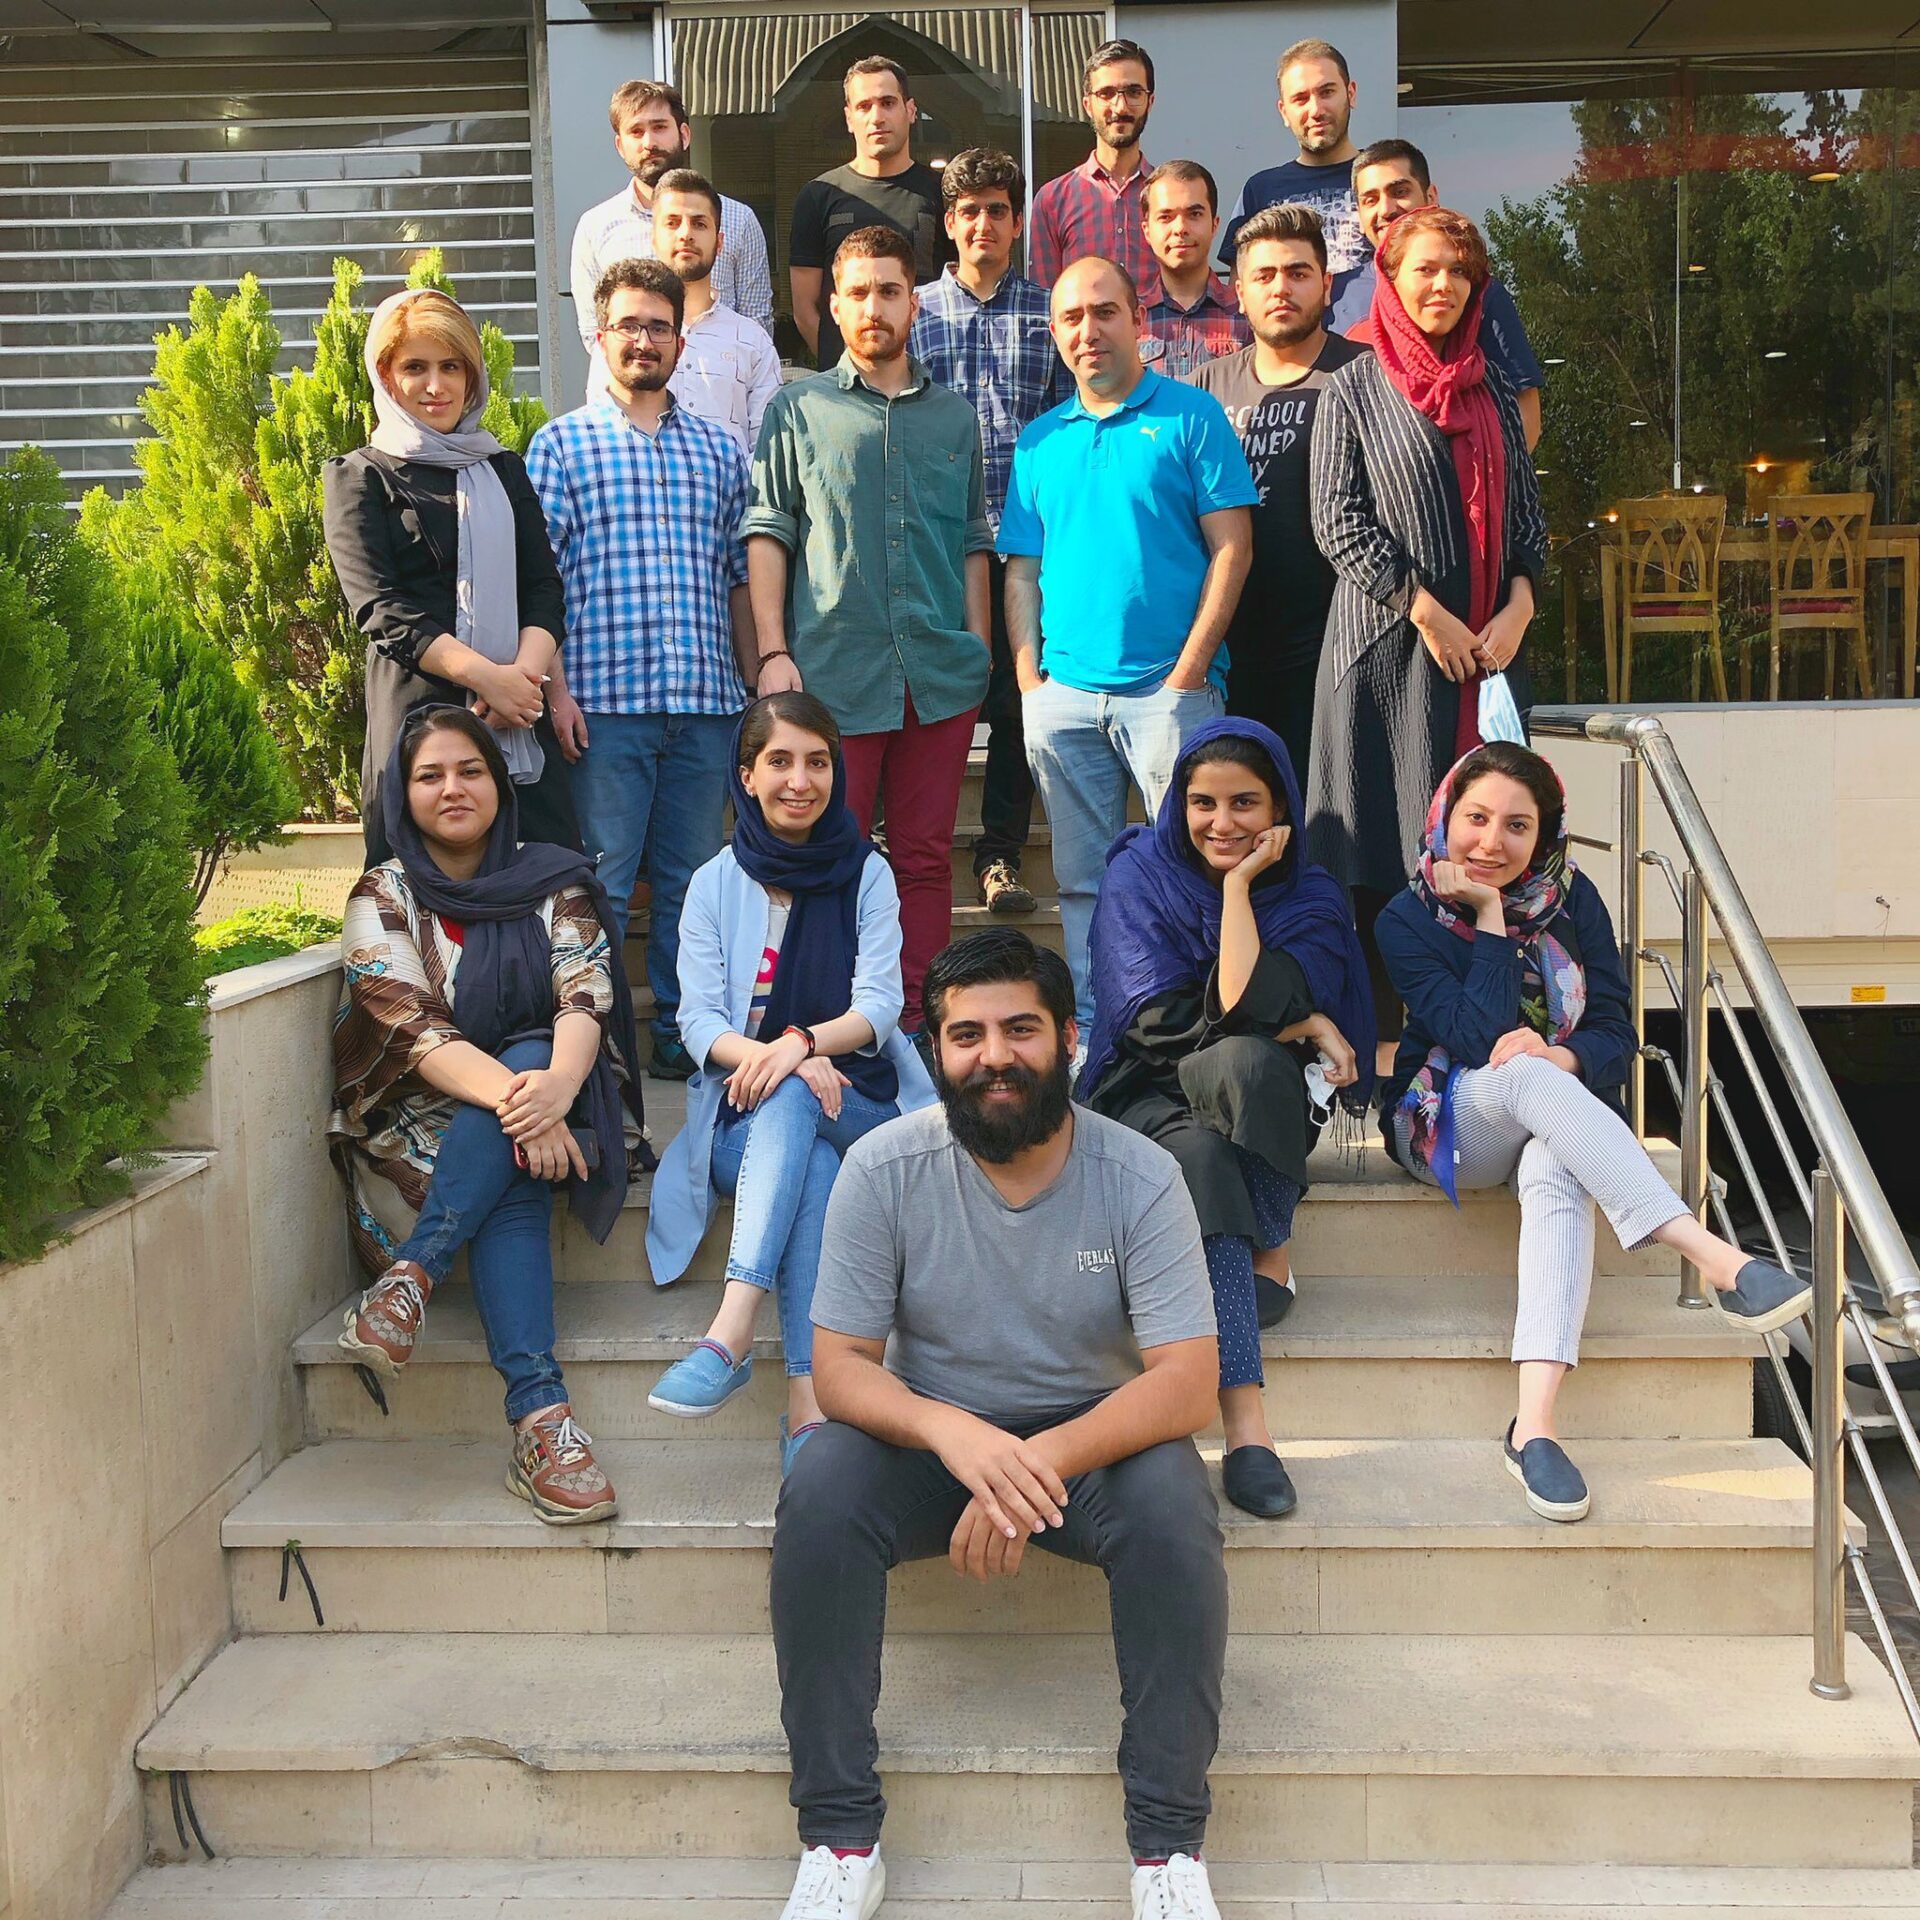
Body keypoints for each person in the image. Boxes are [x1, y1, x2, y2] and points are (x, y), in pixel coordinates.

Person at [770, 929, 1231, 1920]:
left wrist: (1032, 1464)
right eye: (967, 1035)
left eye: (1021, 1029)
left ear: (1068, 1038)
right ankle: (839, 1838)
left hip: (1090, 1448)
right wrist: (957, 1438)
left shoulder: (1142, 1174)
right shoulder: (883, 1169)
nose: (995, 1056)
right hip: (934, 1443)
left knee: (1173, 1502)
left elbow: (1190, 1382)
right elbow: (838, 1369)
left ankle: (1167, 1850)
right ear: (935, 1051)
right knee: (820, 1484)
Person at [1377, 743, 1814, 1522]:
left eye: (1517, 826)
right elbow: (1475, 1036)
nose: (1491, 842)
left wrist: (1565, 1054)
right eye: (1476, 818)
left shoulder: (1572, 897)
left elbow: (1615, 1028)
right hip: (1447, 1116)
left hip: (1551, 1108)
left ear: (1544, 834)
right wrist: (1490, 917)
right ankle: (1715, 1257)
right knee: (1521, 1069)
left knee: (1555, 1162)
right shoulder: (1405, 917)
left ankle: (1534, 1428)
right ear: (1445, 816)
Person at [329, 707, 650, 1523]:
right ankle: (542, 1425)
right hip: (418, 1123)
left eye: (470, 770)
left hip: (548, 1096)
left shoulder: (555, 880)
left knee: (534, 1054)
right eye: (430, 775)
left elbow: (585, 995)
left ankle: (413, 1278)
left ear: (500, 785)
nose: (453, 788)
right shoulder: (382, 895)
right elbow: (414, 1033)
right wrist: (533, 1108)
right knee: (516, 1138)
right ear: (403, 796)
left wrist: (556, 1087)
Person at [1082, 720, 1373, 1518]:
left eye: (1245, 803)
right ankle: (1248, 1430)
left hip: (1255, 1097)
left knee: (1249, 1064)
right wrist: (1303, 1022)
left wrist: (1241, 889)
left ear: (1279, 809)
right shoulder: (1140, 874)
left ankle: (1269, 1245)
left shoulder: (1309, 894)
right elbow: (1150, 1024)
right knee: (1205, 1149)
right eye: (1202, 803)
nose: (1221, 823)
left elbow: (1256, 1004)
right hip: (1144, 1090)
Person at [645, 693, 937, 1471]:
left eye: (817, 762)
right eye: (779, 761)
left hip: (864, 1101)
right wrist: (781, 1060)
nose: (800, 781)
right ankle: (809, 1407)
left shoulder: (866, 873)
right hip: (743, 1117)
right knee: (810, 1159)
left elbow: (879, 1006)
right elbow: (697, 1023)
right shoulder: (713, 884)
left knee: (802, 1090)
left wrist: (801, 1045)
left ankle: (732, 1327)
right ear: (747, 775)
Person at [1306, 207, 1546, 1057]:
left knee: (1478, 851)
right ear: (1391, 278)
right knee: (1385, 857)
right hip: (1384, 660)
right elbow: (1337, 522)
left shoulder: (1494, 394)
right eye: (1425, 269)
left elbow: (1528, 521)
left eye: (1459, 272)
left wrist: (1518, 606)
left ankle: (1463, 1045)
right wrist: (1426, 611)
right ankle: (1379, 1059)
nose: (1443, 285)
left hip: (1486, 661)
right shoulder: (1354, 387)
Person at [746, 225, 993, 1044]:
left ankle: (917, 1021)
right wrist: (774, 653)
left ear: (913, 303)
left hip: (938, 678)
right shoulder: (797, 409)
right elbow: (769, 532)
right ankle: (830, 1020)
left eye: (889, 290)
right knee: (827, 854)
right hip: (833, 676)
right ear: (833, 304)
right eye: (857, 292)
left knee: (924, 859)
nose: (873, 306)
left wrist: (980, 647)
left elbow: (973, 539)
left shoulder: (955, 418)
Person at [1000, 255, 1257, 1036]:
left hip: (1170, 696)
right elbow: (1021, 573)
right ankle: (1098, 1030)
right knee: (1084, 883)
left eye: (1104, 312)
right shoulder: (1039, 443)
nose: (1089, 330)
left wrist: (1188, 674)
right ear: (1055, 333)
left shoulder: (1191, 416)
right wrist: (1030, 684)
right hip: (1065, 697)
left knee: (1193, 869)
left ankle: (1196, 1031)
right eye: (1072, 318)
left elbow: (1234, 549)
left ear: (1137, 322)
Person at [526, 259, 754, 1083]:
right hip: (603, 707)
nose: (644, 339)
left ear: (680, 342)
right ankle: (599, 1041)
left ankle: (683, 1031)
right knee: (604, 885)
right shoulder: (560, 446)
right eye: (629, 324)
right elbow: (541, 584)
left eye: (660, 326)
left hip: (706, 703)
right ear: (600, 336)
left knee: (694, 887)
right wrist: (555, 692)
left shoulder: (721, 451)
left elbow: (739, 576)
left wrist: (755, 684)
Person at [324, 288, 578, 868]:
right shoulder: (360, 477)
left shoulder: (504, 469)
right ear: (386, 378)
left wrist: (519, 682)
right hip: (418, 714)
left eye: (451, 367)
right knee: (417, 890)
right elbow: (381, 609)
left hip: (517, 716)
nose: (435, 385)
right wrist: (488, 680)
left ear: (472, 377)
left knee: (543, 880)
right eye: (415, 367)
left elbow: (544, 589)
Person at [908, 146, 1067, 919]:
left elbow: (1069, 425)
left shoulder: (1049, 312)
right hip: (935, 545)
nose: (983, 224)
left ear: (1016, 222)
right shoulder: (913, 311)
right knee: (929, 704)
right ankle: (909, 847)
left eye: (997, 211)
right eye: (968, 211)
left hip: (1025, 546)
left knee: (1013, 706)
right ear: (949, 222)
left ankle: (998, 856)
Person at [1186, 202, 1367, 781]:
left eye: (1297, 272)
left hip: (1337, 652)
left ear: (1327, 284)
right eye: (1263, 275)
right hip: (1225, 657)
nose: (1280, 288)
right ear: (1239, 292)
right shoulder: (1201, 393)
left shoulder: (1367, 377)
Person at [570, 77, 773, 400]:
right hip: (633, 407)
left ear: (684, 134)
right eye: (636, 131)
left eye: (660, 127)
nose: (649, 142)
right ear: (620, 145)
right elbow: (594, 334)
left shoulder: (738, 220)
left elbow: (757, 324)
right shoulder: (596, 227)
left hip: (720, 404)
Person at [1341, 139, 1545, 449]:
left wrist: (1501, 474)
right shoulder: (1339, 296)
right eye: (1370, 199)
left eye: (1400, 192)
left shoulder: (1478, 292)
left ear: (1431, 197)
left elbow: (1524, 407)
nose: (1386, 209)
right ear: (1358, 213)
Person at [788, 57, 947, 370]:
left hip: (928, 376)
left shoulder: (941, 193)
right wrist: (845, 369)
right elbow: (805, 309)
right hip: (844, 382)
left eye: (888, 103)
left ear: (910, 110)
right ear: (849, 118)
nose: (877, 117)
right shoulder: (817, 196)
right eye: (864, 106)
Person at [1220, 39, 1370, 309]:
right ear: (1284, 111)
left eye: (1327, 92)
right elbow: (1239, 296)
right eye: (1301, 99)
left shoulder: (1383, 179)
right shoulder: (1260, 190)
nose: (1316, 110)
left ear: (1351, 94)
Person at [652, 168, 784, 459]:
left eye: (699, 224)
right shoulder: (626, 337)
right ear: (653, 239)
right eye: (672, 223)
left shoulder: (752, 340)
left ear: (719, 242)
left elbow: (768, 450)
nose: (686, 234)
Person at [1027, 38, 1159, 294]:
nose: (1120, 107)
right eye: (1106, 93)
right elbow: (1046, 301)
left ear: (1150, 102)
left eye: (1133, 92)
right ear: (1087, 105)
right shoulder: (1053, 200)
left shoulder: (1167, 198)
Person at [1138, 161, 1249, 380]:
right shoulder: (1130, 320)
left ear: (1214, 225)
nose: (1180, 228)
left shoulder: (1247, 314)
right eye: (1165, 217)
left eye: (1194, 214)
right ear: (1147, 230)